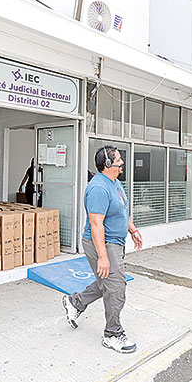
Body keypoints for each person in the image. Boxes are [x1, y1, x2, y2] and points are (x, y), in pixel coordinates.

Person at [62, 145, 143, 353]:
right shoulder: (98, 188)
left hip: (116, 242)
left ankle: (76, 302)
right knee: (116, 287)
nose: (122, 162)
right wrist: (103, 257)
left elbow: (122, 209)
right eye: (118, 160)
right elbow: (96, 224)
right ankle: (112, 334)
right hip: (102, 243)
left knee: (108, 282)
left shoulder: (114, 182)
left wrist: (132, 230)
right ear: (107, 164)